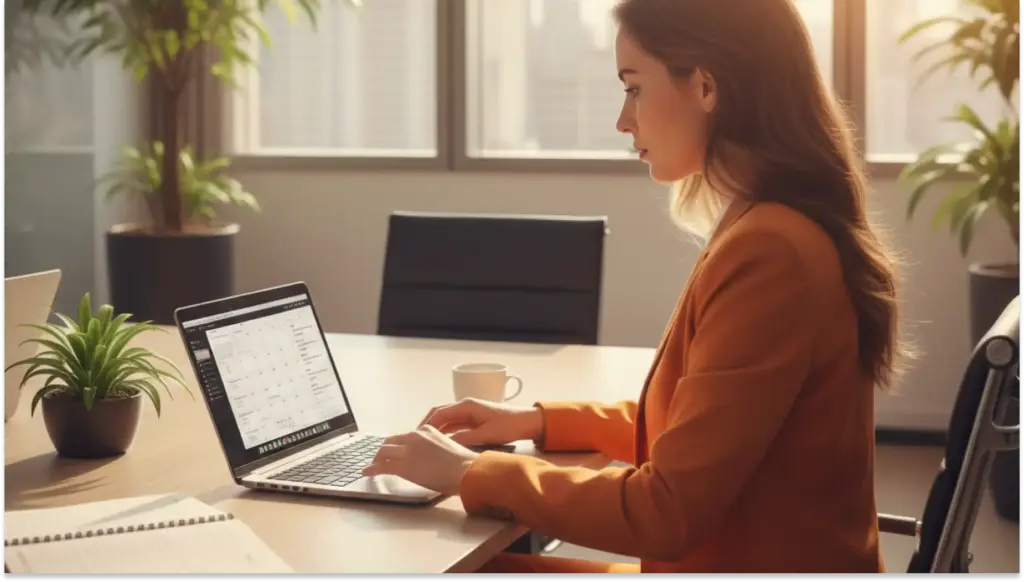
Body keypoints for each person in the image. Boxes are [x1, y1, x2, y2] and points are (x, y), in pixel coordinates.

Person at [362, 0, 913, 574]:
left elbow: (665, 512)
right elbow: (701, 427)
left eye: (634, 88)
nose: (624, 121)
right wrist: (539, 421)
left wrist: (468, 472)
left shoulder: (771, 252)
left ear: (706, 86)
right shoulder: (771, 225)